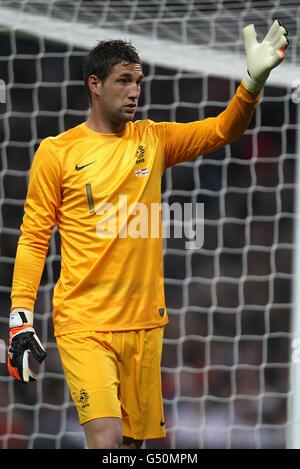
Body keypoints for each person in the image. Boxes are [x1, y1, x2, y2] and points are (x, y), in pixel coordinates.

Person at [8, 20, 288, 449]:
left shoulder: (153, 140)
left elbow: (222, 129)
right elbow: (33, 238)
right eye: (124, 81)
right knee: (105, 438)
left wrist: (251, 84)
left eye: (139, 81)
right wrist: (20, 318)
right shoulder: (57, 152)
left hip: (143, 326)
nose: (135, 90)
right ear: (95, 85)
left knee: (130, 449)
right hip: (84, 324)